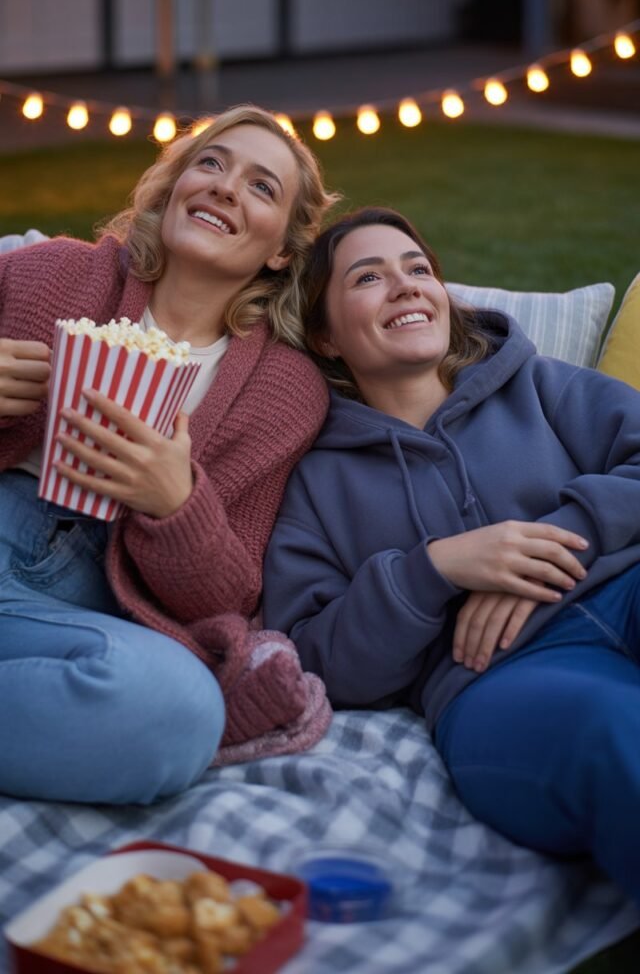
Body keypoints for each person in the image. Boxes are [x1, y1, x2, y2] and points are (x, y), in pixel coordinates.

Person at [263, 206, 640, 905]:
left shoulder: (539, 385)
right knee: (616, 738)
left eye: (418, 270)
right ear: (326, 335)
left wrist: (548, 549)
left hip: (626, 588)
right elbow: (316, 656)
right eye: (369, 278)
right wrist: (434, 569)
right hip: (497, 679)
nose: (407, 286)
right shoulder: (313, 481)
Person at [0, 105, 338, 805]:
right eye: (210, 163)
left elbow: (228, 596)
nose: (223, 186)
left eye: (261, 187)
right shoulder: (50, 275)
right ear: (175, 185)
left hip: (87, 607)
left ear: (281, 250)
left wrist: (176, 502)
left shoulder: (284, 390)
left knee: (177, 712)